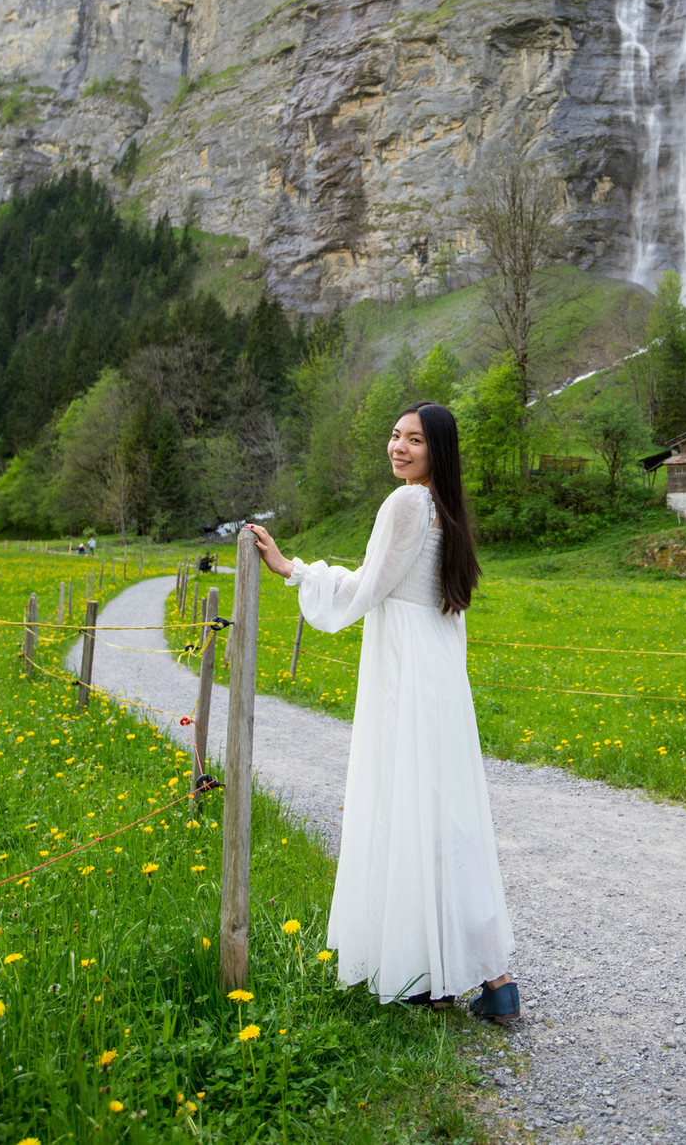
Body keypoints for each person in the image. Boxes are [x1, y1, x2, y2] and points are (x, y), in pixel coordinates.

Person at [246, 401, 519, 1021]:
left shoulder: (406, 504)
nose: (399, 447)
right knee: (444, 816)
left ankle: (425, 972)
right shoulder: (447, 509)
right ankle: (485, 976)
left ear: (436, 451)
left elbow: (366, 590)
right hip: (439, 671)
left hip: (407, 671)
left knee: (408, 807)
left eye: (414, 440)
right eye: (395, 436)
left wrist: (293, 570)